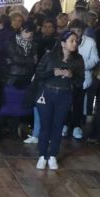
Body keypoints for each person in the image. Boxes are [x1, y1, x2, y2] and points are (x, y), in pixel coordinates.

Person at [32, 28, 85, 172]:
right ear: (63, 43)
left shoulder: (78, 59)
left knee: (58, 126)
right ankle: (42, 155)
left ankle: (53, 155)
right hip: (47, 93)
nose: (74, 43)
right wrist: (52, 72)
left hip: (65, 94)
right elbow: (38, 73)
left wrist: (71, 75)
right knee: (45, 125)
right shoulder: (50, 56)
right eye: (71, 41)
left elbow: (81, 80)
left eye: (76, 41)